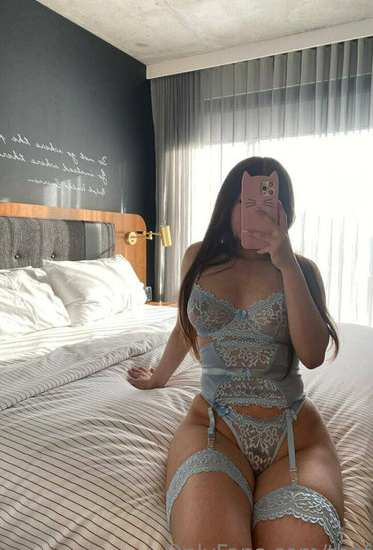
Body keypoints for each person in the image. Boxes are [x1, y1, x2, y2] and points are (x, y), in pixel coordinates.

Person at [127, 156, 344, 550]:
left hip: (294, 436)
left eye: (268, 203)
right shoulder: (197, 258)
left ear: (285, 211)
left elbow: (313, 355)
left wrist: (287, 265)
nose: (256, 212)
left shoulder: (302, 270)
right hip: (214, 427)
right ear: (228, 205)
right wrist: (159, 377)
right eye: (246, 201)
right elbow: (185, 327)